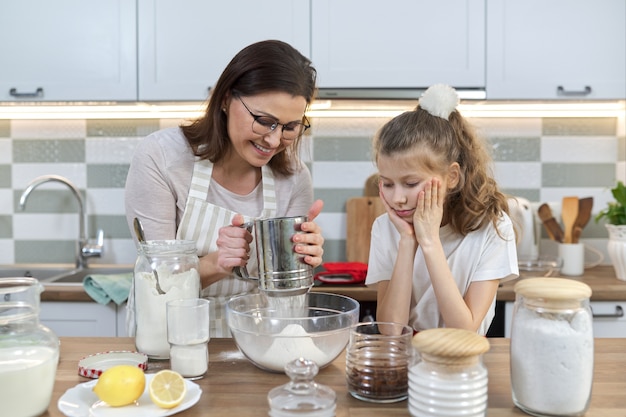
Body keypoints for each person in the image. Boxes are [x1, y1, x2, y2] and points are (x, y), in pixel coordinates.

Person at [125, 40, 325, 336]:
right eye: (264, 121)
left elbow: (287, 296)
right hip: (168, 339)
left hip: (258, 341)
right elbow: (158, 282)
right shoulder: (163, 157)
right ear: (226, 98)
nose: (273, 140)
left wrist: (302, 262)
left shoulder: (294, 177)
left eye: (290, 127)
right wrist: (219, 261)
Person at [365, 84, 518, 335]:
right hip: (408, 363)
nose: (398, 198)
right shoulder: (385, 228)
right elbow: (391, 331)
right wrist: (407, 240)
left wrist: (429, 241)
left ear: (452, 177)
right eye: (387, 184)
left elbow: (464, 330)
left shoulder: (492, 228)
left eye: (411, 183)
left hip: (463, 363)